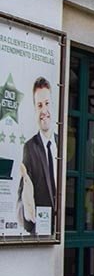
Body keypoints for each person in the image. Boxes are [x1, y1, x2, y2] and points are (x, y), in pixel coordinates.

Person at [17, 76, 57, 235]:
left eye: (47, 103)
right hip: (41, 233)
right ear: (35, 108)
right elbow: (21, 201)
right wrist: (28, 211)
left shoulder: (62, 145)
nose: (44, 110)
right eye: (39, 105)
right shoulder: (30, 148)